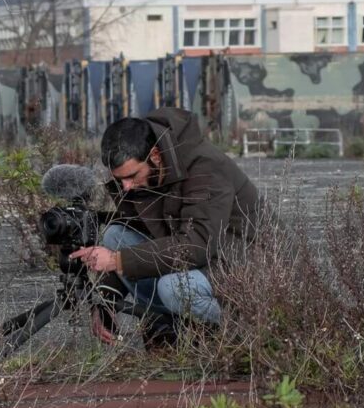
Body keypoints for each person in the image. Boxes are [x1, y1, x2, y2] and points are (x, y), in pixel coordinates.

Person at [69, 109, 260, 348]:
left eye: (131, 176)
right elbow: (138, 234)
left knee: (173, 289)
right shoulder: (145, 174)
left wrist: (117, 261)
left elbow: (198, 243)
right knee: (115, 235)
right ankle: (169, 327)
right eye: (119, 180)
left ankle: (255, 332)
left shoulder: (205, 166)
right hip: (201, 261)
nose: (126, 186)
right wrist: (107, 301)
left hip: (246, 261)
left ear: (156, 155)